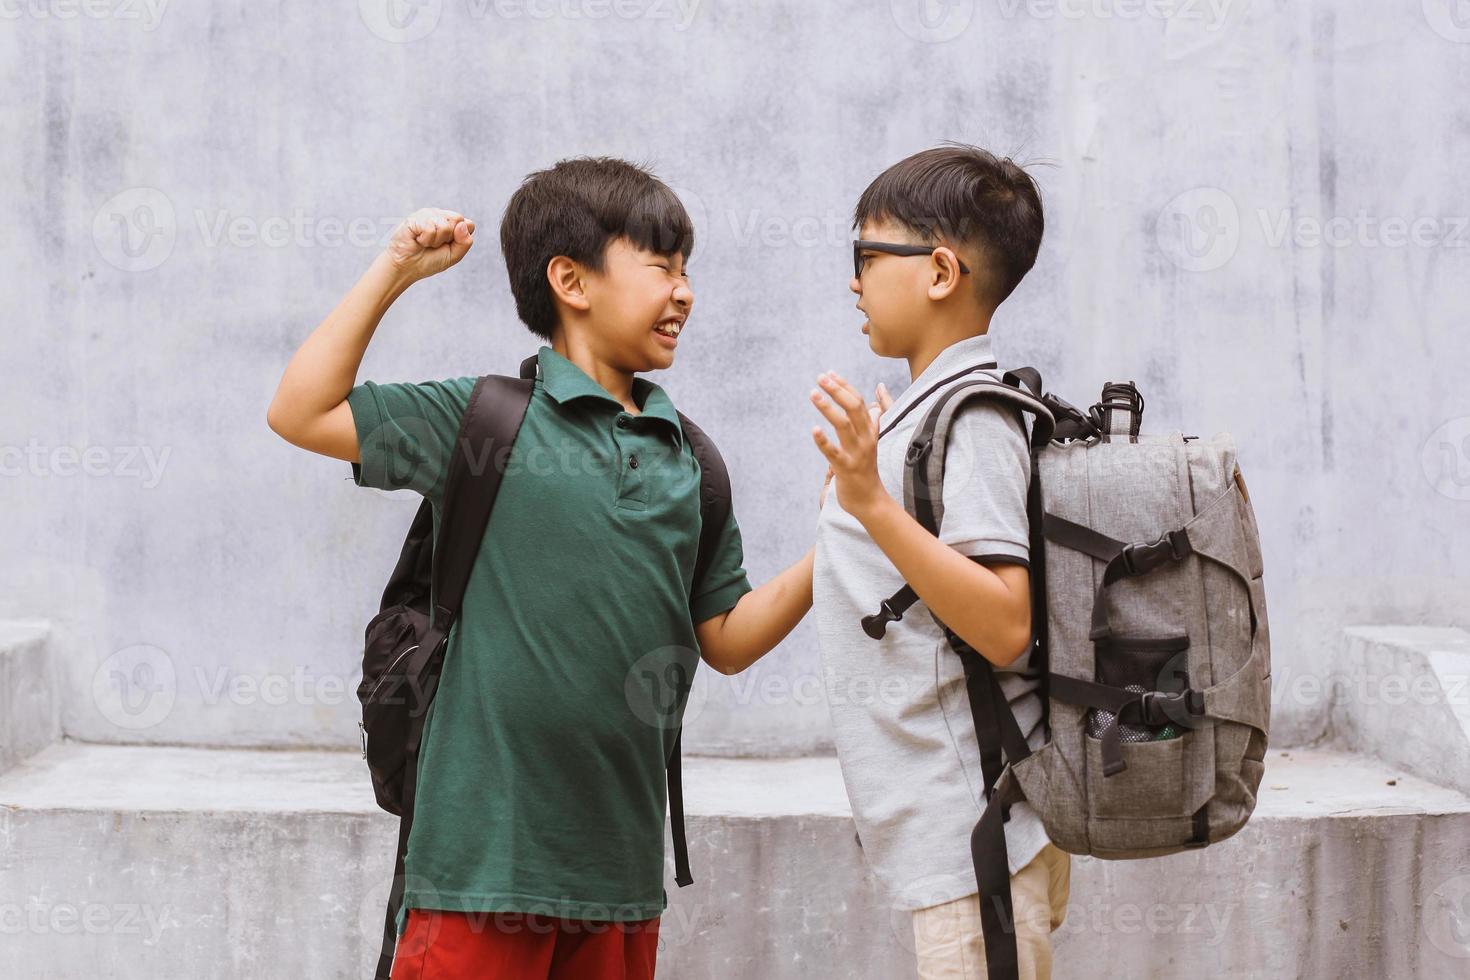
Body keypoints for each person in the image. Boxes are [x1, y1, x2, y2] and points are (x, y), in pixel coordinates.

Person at [267, 157, 817, 980]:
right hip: (477, 877)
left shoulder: (690, 459)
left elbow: (728, 640)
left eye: (687, 268)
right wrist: (394, 272)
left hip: (620, 884)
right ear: (571, 280)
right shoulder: (483, 420)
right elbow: (300, 410)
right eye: (660, 265)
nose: (685, 291)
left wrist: (846, 535)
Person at [809, 143, 1071, 980]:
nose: (854, 281)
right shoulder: (924, 416)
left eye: (866, 255)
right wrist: (869, 486)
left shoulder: (976, 422)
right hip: (948, 837)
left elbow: (1005, 626)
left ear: (939, 271)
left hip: (976, 840)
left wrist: (872, 501)